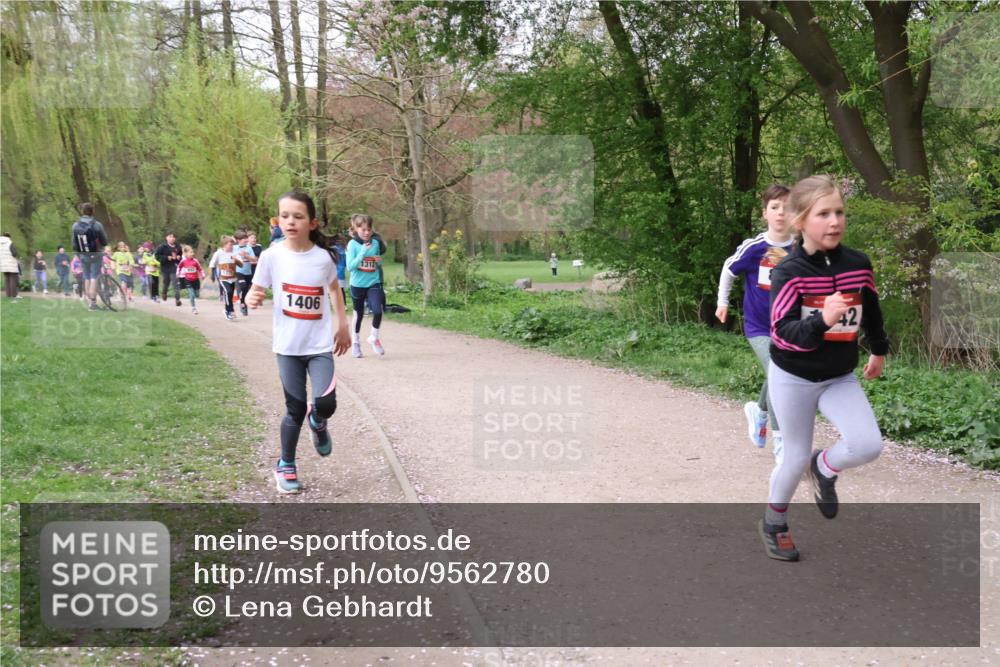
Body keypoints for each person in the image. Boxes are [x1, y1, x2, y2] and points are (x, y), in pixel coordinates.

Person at [758, 175, 888, 562]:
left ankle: (825, 466)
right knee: (793, 457)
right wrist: (823, 321)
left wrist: (878, 349)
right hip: (793, 376)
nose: (835, 222)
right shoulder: (789, 270)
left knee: (868, 445)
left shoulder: (857, 264)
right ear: (800, 220)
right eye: (824, 214)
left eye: (840, 213)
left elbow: (873, 310)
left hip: (838, 375)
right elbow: (782, 333)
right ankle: (774, 523)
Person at [246, 191, 351, 494]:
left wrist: (342, 324)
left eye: (298, 216)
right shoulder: (271, 256)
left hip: (318, 346)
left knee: (326, 403)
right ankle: (286, 464)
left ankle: (318, 421)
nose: (290, 221)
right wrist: (251, 296)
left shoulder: (323, 258)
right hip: (288, 347)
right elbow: (255, 289)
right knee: (293, 408)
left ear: (312, 222)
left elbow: (334, 290)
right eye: (284, 216)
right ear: (277, 221)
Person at [716, 184, 793, 450]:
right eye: (775, 207)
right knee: (780, 376)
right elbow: (729, 269)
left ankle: (758, 413)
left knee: (778, 375)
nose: (781, 213)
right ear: (765, 214)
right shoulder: (755, 247)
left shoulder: (802, 248)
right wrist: (722, 302)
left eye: (787, 207)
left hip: (790, 328)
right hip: (758, 327)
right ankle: (781, 443)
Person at [346, 214, 387, 358]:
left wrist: (378, 261)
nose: (366, 232)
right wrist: (362, 252)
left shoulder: (375, 243)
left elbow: (377, 263)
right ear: (356, 229)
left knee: (378, 310)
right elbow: (350, 267)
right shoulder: (352, 245)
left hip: (373, 282)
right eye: (363, 229)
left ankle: (374, 338)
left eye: (369, 229)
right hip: (357, 285)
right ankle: (356, 342)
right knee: (358, 315)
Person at [70, 202, 109, 310]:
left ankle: (89, 301)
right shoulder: (97, 225)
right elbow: (105, 241)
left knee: (86, 277)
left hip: (83, 255)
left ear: (82, 211)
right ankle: (93, 302)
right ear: (93, 211)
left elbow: (74, 244)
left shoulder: (75, 225)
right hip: (96, 255)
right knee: (94, 277)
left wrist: (78, 254)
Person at [209, 235, 243, 320]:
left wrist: (236, 260)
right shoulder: (218, 253)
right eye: (230, 245)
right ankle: (229, 311)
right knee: (228, 292)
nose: (232, 247)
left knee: (230, 295)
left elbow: (241, 265)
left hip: (232, 278)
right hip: (223, 278)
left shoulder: (235, 253)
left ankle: (227, 309)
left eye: (232, 245)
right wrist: (212, 275)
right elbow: (212, 264)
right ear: (224, 245)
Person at [155, 232, 183, 306]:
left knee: (175, 283)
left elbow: (180, 256)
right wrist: (167, 258)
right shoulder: (162, 247)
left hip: (174, 267)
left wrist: (179, 258)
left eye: (173, 237)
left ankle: (177, 299)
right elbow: (157, 256)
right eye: (170, 236)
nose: (172, 238)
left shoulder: (178, 246)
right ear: (166, 238)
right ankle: (164, 293)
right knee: (166, 283)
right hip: (165, 268)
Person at [233, 230, 257, 317]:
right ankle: (242, 304)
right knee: (242, 286)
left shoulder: (249, 248)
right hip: (238, 272)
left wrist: (246, 256)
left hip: (248, 273)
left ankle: (244, 305)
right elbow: (229, 257)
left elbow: (254, 260)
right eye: (244, 239)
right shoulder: (234, 248)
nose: (246, 240)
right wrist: (235, 257)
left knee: (246, 291)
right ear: (238, 240)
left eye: (246, 238)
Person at [176, 245, 205, 314]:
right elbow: (179, 267)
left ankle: (193, 296)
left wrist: (202, 274)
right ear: (186, 254)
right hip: (188, 280)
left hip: (196, 280)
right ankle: (193, 308)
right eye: (191, 252)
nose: (193, 253)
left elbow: (200, 269)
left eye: (193, 252)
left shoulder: (195, 261)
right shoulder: (183, 261)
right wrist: (178, 273)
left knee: (197, 294)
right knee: (191, 295)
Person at [0, 233, 20, 298]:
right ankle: (14, 295)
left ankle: (8, 295)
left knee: (7, 279)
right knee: (13, 279)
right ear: (9, 237)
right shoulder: (10, 243)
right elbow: (14, 253)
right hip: (11, 264)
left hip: (3, 264)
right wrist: (18, 256)